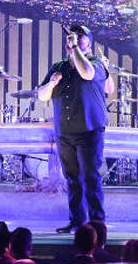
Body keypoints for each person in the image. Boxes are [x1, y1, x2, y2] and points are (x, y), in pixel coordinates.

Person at [37, 24, 114, 233]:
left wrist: (77, 51)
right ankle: (77, 222)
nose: (77, 39)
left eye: (82, 37)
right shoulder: (58, 67)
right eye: (74, 37)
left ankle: (97, 223)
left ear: (89, 43)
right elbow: (42, 95)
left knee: (90, 176)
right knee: (72, 178)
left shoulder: (96, 63)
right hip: (65, 132)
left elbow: (87, 74)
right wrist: (51, 84)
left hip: (90, 130)